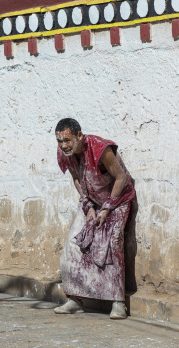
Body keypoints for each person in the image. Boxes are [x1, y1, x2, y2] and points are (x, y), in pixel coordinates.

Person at [53, 118, 136, 319]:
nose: (64, 146)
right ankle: (75, 298)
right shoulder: (66, 153)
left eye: (67, 140)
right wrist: (87, 205)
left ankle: (118, 302)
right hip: (92, 200)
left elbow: (121, 177)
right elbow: (76, 177)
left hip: (117, 200)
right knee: (73, 244)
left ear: (79, 136)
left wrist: (106, 209)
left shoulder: (100, 149)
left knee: (112, 242)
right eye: (60, 141)